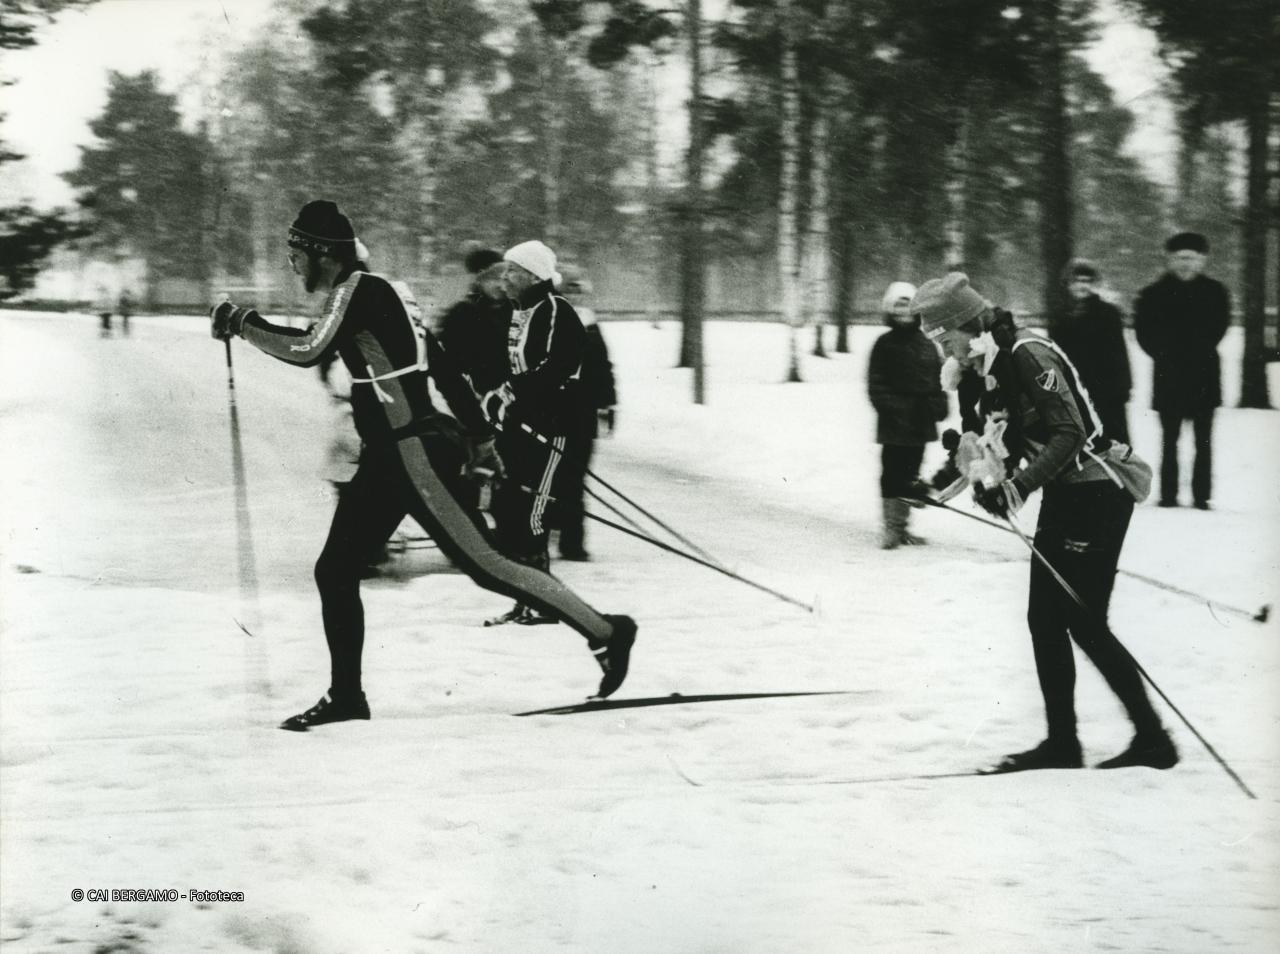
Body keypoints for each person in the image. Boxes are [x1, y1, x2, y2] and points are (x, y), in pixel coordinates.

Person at [209, 201, 636, 730]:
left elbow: (308, 349)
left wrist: (242, 322)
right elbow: (444, 367)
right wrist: (480, 436)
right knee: (335, 571)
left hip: (412, 455)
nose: (293, 266)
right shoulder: (387, 292)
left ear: (323, 255)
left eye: (296, 255)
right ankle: (347, 697)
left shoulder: (357, 291)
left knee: (487, 565)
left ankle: (608, 632)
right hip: (389, 458)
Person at [911, 272, 1176, 773]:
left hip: (1098, 491)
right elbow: (982, 443)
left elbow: (1069, 434)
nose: (946, 352)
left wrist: (1017, 487)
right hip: (1065, 494)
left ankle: (1153, 739)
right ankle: (1063, 743)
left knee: (1083, 621)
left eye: (946, 340)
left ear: (969, 325)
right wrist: (937, 485)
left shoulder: (1027, 354)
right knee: (1045, 619)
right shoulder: (981, 368)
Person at [479, 240, 586, 625]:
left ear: (533, 276)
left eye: (513, 271)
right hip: (520, 429)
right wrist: (494, 395)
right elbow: (509, 366)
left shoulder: (556, 310)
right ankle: (524, 598)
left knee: (532, 515)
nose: (505, 278)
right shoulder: (518, 311)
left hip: (552, 428)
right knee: (507, 510)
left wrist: (510, 392)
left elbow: (559, 366)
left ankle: (545, 603)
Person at [1133, 232, 1231, 509]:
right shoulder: (1152, 294)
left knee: (1204, 440)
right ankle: (1168, 494)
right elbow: (1144, 333)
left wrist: (1194, 350)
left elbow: (1219, 327)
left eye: (1191, 258)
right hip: (1169, 375)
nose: (1185, 264)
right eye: (1179, 258)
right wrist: (1166, 354)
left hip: (1204, 375)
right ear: (1169, 260)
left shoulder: (1216, 292)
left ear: (1202, 260)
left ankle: (1202, 495)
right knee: (1169, 439)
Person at [867, 281, 946, 549]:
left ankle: (902, 528)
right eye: (898, 307)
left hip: (920, 423)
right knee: (892, 474)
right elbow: (876, 385)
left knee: (911, 475)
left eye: (908, 307)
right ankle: (891, 529)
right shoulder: (884, 344)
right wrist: (896, 408)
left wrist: (938, 404)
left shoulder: (927, 345)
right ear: (890, 310)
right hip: (894, 424)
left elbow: (939, 380)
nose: (903, 312)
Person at [554, 269, 616, 561]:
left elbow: (602, 366)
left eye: (578, 291)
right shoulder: (550, 320)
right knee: (553, 475)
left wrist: (608, 404)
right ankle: (549, 532)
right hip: (553, 412)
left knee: (575, 478)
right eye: (568, 290)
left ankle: (572, 542)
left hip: (582, 413)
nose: (574, 296)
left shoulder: (590, 323)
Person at [1049, 259, 1131, 445]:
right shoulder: (1060, 317)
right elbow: (1054, 355)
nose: (1082, 286)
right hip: (1074, 388)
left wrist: (1123, 387)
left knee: (1112, 441)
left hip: (1106, 390)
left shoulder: (1108, 314)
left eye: (1087, 281)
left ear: (1094, 284)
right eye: (1077, 281)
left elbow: (1119, 353)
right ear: (1068, 284)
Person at [434, 245, 513, 396]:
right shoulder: (460, 314)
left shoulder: (516, 309)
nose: (499, 285)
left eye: (502, 278)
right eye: (492, 279)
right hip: (476, 395)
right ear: (479, 280)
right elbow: (449, 364)